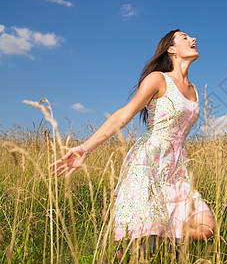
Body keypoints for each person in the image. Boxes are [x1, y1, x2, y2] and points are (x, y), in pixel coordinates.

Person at [49, 29, 215, 242]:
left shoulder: (193, 89)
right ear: (171, 49)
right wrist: (85, 148)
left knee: (206, 229)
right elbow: (123, 115)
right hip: (148, 163)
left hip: (176, 169)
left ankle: (164, 239)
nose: (193, 39)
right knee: (146, 238)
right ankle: (130, 252)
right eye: (185, 37)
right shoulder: (158, 79)